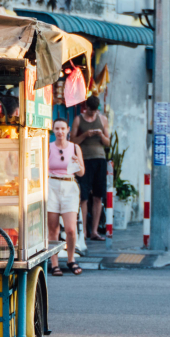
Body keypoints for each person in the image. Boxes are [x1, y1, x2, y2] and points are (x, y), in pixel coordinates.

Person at [45, 118, 83, 276]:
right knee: (53, 228)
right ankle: (54, 263)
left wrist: (77, 164)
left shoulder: (75, 148)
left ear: (68, 130)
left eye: (62, 128)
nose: (60, 132)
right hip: (52, 185)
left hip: (69, 186)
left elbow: (81, 173)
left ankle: (70, 259)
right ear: (53, 130)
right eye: (57, 129)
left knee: (70, 229)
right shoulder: (48, 147)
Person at [71, 95, 111, 239]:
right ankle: (84, 232)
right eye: (90, 111)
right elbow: (72, 140)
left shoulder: (102, 119)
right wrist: (85, 135)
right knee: (83, 196)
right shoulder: (78, 120)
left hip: (99, 159)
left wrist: (101, 135)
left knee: (98, 196)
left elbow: (108, 143)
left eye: (95, 111)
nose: (92, 114)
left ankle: (94, 231)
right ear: (86, 107)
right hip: (84, 160)